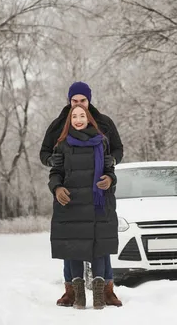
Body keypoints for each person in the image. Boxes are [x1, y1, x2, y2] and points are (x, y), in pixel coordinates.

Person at [40, 81, 123, 307]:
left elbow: (116, 150)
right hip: (72, 193)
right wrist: (52, 162)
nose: (78, 107)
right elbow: (46, 153)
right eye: (74, 101)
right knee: (71, 243)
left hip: (98, 193)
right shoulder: (59, 126)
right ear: (69, 101)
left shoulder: (104, 124)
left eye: (82, 101)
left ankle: (106, 290)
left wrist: (110, 165)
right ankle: (71, 291)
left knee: (100, 243)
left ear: (89, 100)